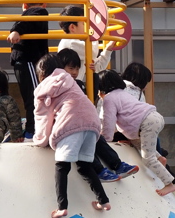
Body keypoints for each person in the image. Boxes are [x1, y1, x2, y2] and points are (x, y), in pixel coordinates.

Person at [32, 53, 110, 218]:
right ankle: (104, 201)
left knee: (62, 165)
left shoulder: (43, 88)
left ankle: (62, 207)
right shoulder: (69, 80)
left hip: (72, 122)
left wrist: (40, 140)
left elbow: (42, 117)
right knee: (84, 165)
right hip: (92, 121)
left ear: (42, 73)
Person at [56, 48, 138, 183]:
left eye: (77, 69)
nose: (75, 73)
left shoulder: (78, 84)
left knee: (96, 136)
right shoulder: (56, 86)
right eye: (71, 69)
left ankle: (117, 165)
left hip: (79, 123)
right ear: (60, 68)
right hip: (66, 127)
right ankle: (100, 170)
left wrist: (93, 74)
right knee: (82, 140)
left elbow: (90, 97)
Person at [98, 70, 175, 197]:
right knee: (138, 143)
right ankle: (160, 158)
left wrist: (105, 139)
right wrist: (129, 138)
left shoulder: (109, 99)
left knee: (147, 158)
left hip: (147, 123)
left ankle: (169, 183)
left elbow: (109, 122)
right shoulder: (122, 93)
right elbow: (128, 118)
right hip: (153, 117)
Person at [8, 0, 50, 139]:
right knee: (35, 96)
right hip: (29, 60)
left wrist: (17, 29)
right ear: (44, 2)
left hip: (26, 60)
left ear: (23, 4)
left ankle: (32, 129)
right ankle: (33, 130)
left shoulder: (35, 12)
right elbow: (26, 21)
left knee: (32, 96)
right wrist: (16, 30)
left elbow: (29, 18)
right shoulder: (38, 12)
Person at [56, 3, 114, 87]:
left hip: (73, 87)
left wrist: (108, 50)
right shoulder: (71, 43)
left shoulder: (75, 44)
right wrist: (94, 33)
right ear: (72, 27)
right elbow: (93, 52)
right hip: (69, 88)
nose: (87, 27)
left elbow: (97, 67)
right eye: (84, 24)